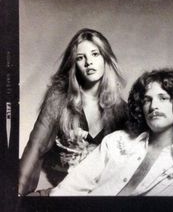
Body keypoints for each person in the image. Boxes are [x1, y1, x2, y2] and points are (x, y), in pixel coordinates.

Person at [49, 68, 173, 196]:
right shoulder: (115, 142)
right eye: (147, 99)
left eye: (163, 98)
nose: (153, 106)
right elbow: (68, 188)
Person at [18, 28, 128, 196]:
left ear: (106, 58)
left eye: (95, 54)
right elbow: (37, 146)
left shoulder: (122, 109)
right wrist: (17, 194)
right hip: (58, 188)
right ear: (73, 64)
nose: (89, 62)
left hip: (97, 192)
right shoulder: (58, 97)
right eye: (80, 57)